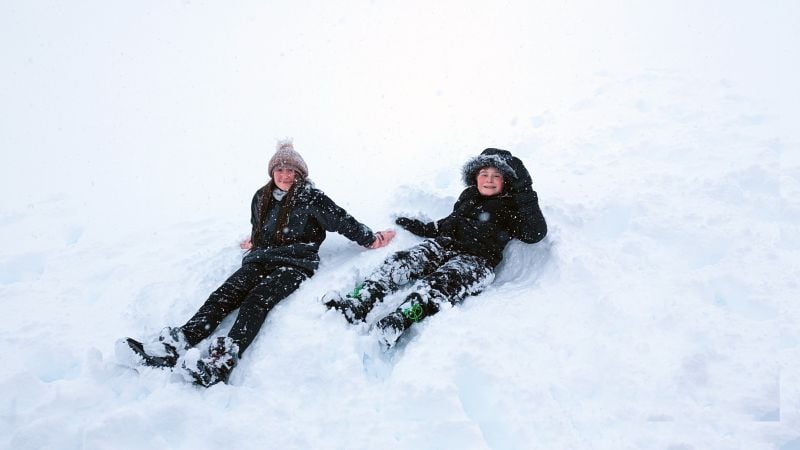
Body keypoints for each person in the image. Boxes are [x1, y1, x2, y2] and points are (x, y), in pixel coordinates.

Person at [119, 140, 395, 387]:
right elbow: (260, 226)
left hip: (295, 264)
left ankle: (221, 360)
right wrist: (255, 240)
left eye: (291, 171)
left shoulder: (312, 197)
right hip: (260, 259)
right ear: (272, 172)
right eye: (280, 170)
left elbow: (341, 220)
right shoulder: (260, 197)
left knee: (256, 301)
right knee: (222, 296)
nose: (285, 176)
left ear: (300, 174)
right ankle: (171, 347)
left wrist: (371, 239)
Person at [324, 148, 546, 348]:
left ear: (506, 181)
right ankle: (360, 301)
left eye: (496, 176)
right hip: (445, 245)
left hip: (477, 260)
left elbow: (535, 233)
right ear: (475, 177)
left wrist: (525, 191)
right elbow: (448, 223)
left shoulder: (512, 206)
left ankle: (401, 319)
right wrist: (420, 227)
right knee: (402, 262)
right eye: (484, 174)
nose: (489, 180)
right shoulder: (468, 196)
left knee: (440, 284)